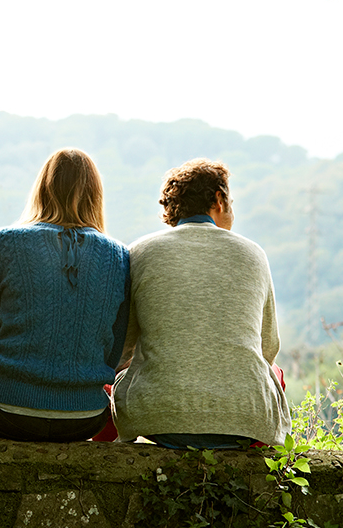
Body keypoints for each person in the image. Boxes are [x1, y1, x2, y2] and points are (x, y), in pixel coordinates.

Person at [112, 159, 291, 448]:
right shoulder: (254, 254)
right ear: (218, 200)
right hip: (245, 423)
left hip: (158, 420)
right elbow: (268, 348)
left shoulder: (140, 252)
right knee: (274, 373)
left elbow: (123, 348)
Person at [0, 148, 130, 442]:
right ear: (96, 195)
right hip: (85, 417)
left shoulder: (5, 242)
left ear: (42, 188)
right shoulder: (118, 255)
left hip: (3, 410)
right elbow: (114, 347)